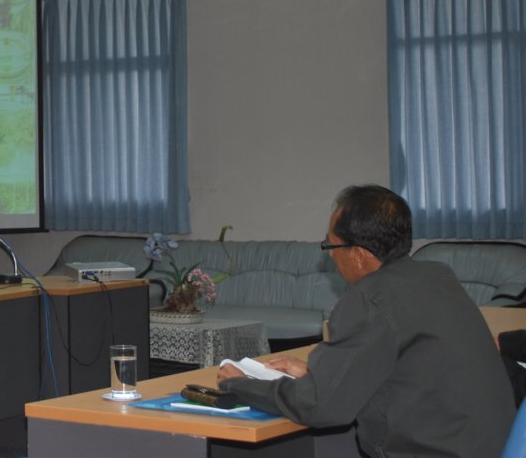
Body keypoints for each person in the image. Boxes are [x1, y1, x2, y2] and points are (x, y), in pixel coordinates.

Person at [217, 184, 514, 458]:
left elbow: (320, 406)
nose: (330, 257)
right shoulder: (437, 277)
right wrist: (314, 374)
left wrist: (240, 385)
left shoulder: (369, 299)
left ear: (359, 255)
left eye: (330, 246)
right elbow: (410, 370)